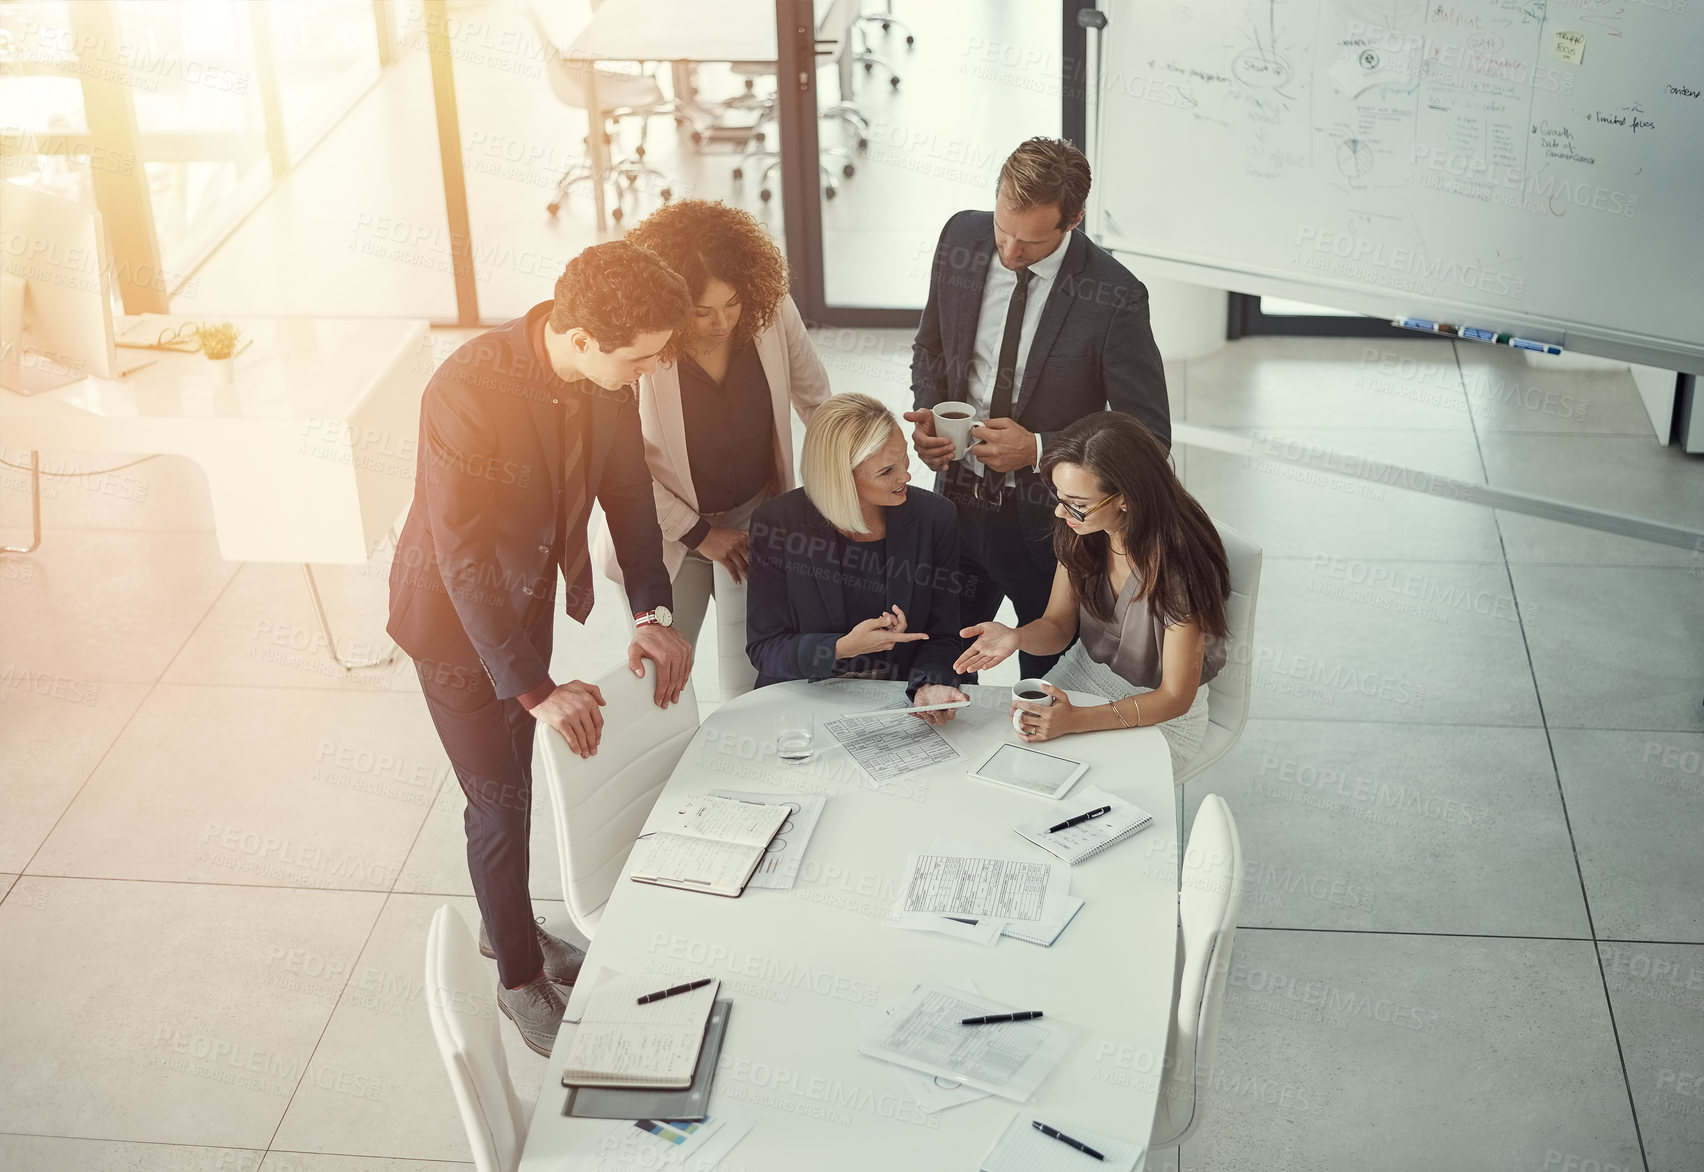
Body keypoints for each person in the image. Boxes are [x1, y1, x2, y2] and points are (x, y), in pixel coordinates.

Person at [386, 241, 695, 1056]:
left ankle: (505, 925)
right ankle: (517, 978)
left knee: (515, 781)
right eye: (642, 358)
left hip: (523, 606)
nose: (651, 372)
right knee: (497, 801)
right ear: (583, 339)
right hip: (455, 624)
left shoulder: (604, 380)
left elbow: (628, 494)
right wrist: (531, 686)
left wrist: (649, 609)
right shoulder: (465, 389)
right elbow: (463, 558)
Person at [904, 136, 1170, 679]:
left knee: (1045, 681)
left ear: (1072, 220)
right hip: (955, 503)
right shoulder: (961, 234)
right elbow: (931, 345)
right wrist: (930, 411)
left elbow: (1148, 434)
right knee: (936, 667)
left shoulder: (1115, 296)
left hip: (1049, 528)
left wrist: (1040, 449)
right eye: (1003, 230)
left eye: (1029, 242)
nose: (1008, 251)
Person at [592, 199, 831, 700]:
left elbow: (817, 400)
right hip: (666, 534)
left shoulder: (771, 308)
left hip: (754, 523)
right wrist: (700, 534)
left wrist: (854, 467)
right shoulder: (643, 345)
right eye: (702, 312)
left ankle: (745, 771)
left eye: (733, 303)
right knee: (664, 677)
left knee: (753, 675)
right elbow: (621, 474)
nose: (722, 322)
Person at [954, 412, 1229, 774]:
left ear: (1126, 499)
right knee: (1013, 766)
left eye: (1077, 503)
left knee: (1068, 783)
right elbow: (1057, 626)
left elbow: (1175, 698)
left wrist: (1075, 721)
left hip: (1158, 714)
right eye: (1060, 495)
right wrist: (1016, 637)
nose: (1059, 510)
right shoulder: (1082, 529)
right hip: (1082, 676)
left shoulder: (1178, 570)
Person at [745, 393, 968, 718]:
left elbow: (944, 634)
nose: (905, 476)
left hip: (897, 701)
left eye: (904, 459)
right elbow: (765, 649)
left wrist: (929, 683)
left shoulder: (936, 517)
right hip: (801, 699)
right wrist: (843, 648)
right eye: (886, 471)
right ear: (840, 477)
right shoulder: (778, 524)